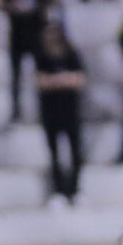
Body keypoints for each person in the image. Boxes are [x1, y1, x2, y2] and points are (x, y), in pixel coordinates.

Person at [35, 22, 87, 206]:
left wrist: (54, 81)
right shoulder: (42, 56)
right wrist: (64, 79)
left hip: (70, 111)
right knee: (54, 153)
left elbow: (79, 80)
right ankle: (58, 190)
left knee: (75, 152)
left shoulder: (71, 54)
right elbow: (40, 82)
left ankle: (75, 189)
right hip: (50, 112)